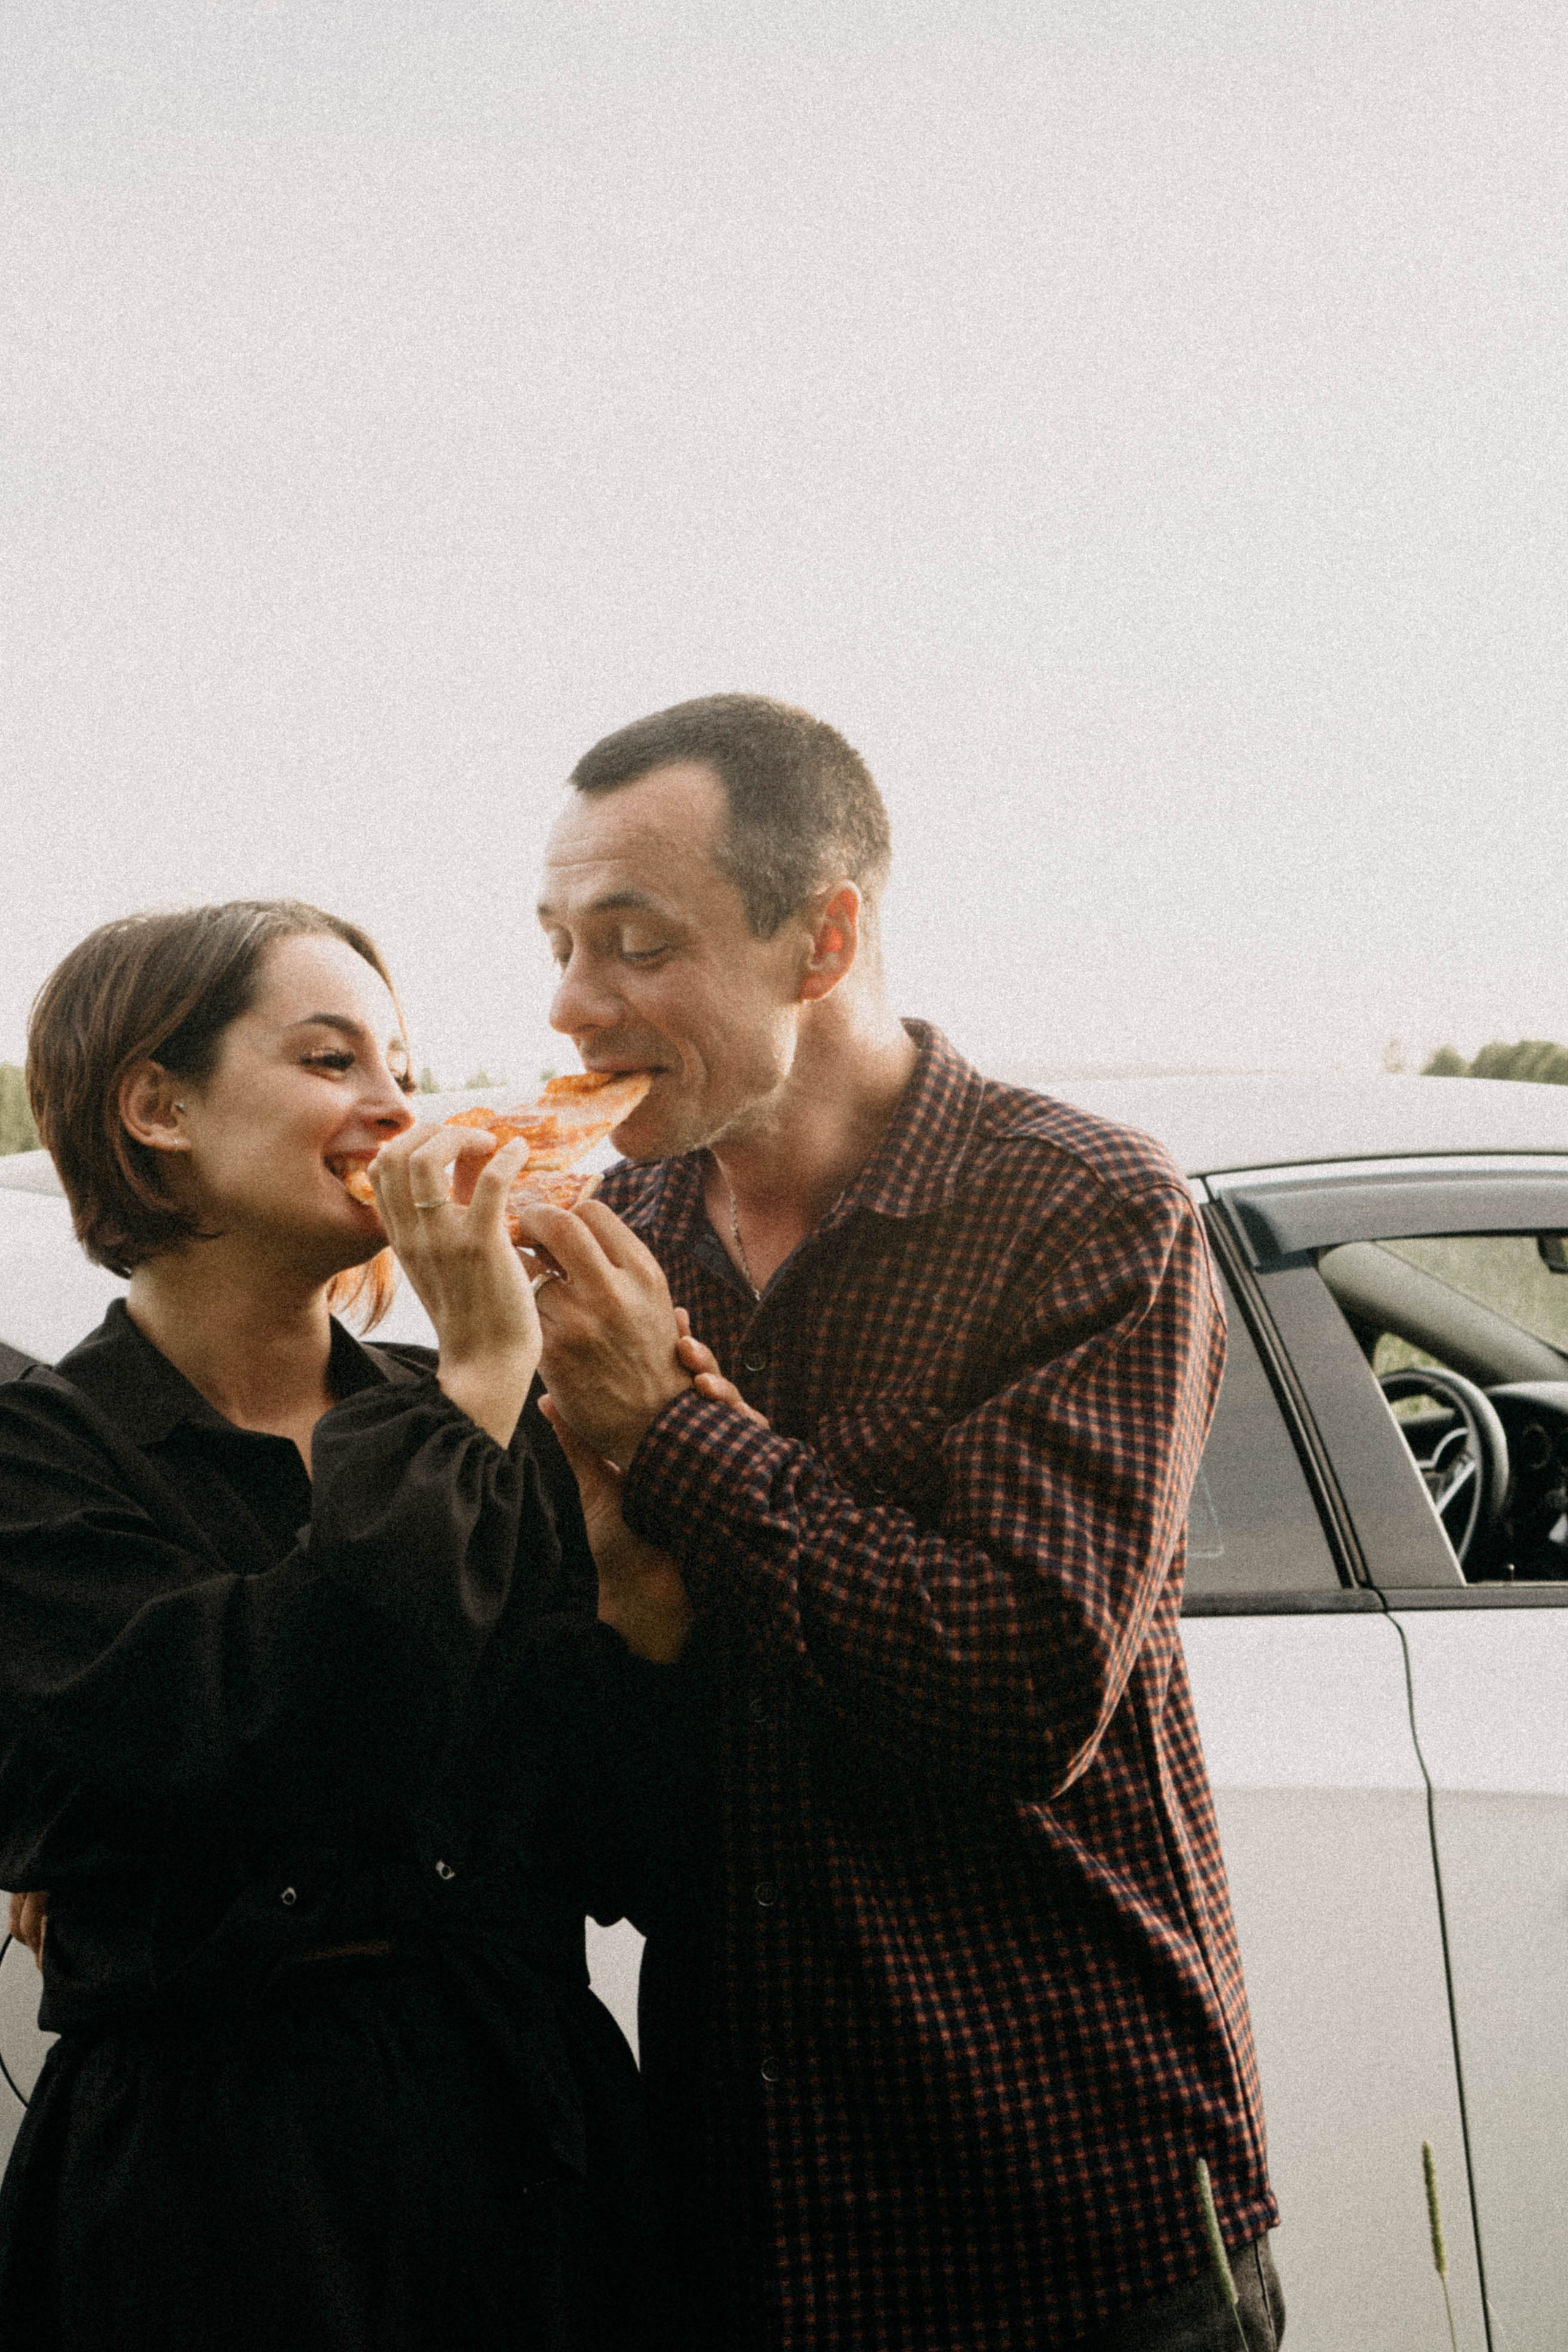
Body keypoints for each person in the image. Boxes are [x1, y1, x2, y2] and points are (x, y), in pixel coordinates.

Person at [513, 695, 1286, 2350]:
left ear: (823, 938)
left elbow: (1018, 1681)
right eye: (559, 944)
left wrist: (668, 1431)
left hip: (1058, 2221)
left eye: (636, 944)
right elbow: (592, 1805)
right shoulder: (604, 1238)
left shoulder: (1083, 1206)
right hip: (741, 2229)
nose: (572, 1003)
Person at [0, 899, 686, 2352]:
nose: (396, 1109)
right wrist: (480, 1367)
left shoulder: (476, 1419)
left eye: (402, 1067)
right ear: (157, 1107)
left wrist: (641, 1593)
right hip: (216, 2198)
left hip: (527, 2158)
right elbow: (282, 1729)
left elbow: (622, 1845)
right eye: (330, 1060)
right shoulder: (39, 1455)